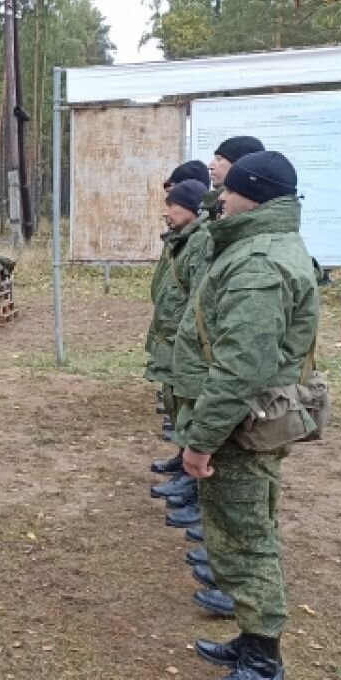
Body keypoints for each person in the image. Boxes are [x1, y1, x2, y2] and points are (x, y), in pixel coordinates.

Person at [171, 150, 321, 680]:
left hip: (239, 426)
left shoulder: (258, 263)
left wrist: (200, 439)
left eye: (228, 190)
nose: (219, 198)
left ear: (253, 194)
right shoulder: (261, 245)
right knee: (246, 530)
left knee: (246, 541)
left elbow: (241, 367)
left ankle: (264, 668)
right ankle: (251, 642)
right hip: (247, 420)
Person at [148, 163, 211, 477]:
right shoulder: (182, 238)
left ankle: (192, 480)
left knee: (190, 406)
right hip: (172, 337)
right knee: (177, 402)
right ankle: (182, 459)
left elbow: (199, 299)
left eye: (172, 207)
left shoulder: (200, 243)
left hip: (184, 340)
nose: (167, 214)